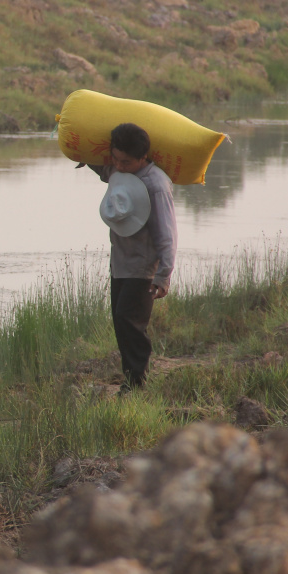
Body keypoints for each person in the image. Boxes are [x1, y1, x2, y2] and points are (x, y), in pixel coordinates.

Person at [83, 122, 177, 391]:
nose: (119, 166)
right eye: (115, 159)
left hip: (144, 268)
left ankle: (136, 384)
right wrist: (80, 152)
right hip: (120, 264)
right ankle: (131, 379)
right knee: (120, 321)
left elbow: (167, 233)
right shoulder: (118, 171)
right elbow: (106, 171)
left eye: (126, 161)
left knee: (130, 322)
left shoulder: (155, 184)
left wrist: (163, 275)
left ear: (142, 158)